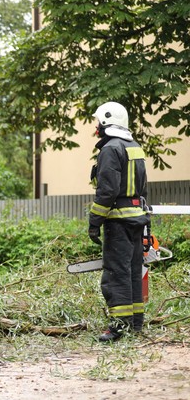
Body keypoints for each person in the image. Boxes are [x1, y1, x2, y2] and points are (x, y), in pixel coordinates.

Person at [88, 101, 150, 342]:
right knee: (134, 271)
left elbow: (107, 191)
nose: (96, 126)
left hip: (117, 220)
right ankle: (135, 324)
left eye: (98, 122)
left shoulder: (110, 149)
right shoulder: (133, 146)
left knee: (116, 274)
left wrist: (95, 221)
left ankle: (119, 326)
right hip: (136, 218)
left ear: (106, 121)